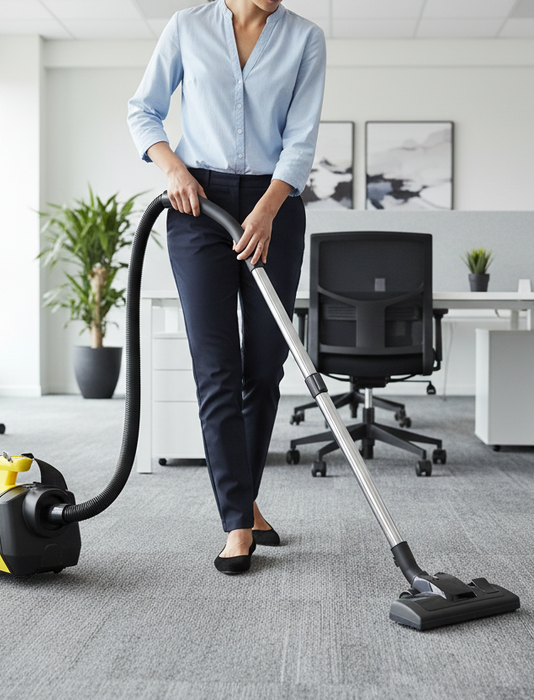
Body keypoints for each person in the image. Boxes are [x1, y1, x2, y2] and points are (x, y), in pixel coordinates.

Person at [128, 0, 326, 574]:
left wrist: (266, 210)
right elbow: (143, 110)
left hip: (275, 208)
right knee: (215, 366)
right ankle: (238, 523)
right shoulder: (189, 26)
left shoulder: (305, 38)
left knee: (264, 367)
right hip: (198, 207)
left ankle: (244, 499)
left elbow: (302, 138)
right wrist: (173, 169)